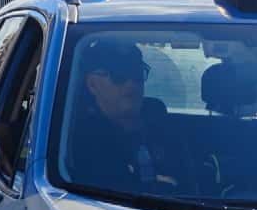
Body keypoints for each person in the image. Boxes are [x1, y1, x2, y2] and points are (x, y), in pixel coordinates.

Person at [69, 39, 192, 194]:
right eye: (118, 75)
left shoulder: (161, 125)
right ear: (92, 84)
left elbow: (191, 183)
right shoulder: (76, 139)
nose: (131, 83)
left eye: (136, 73)